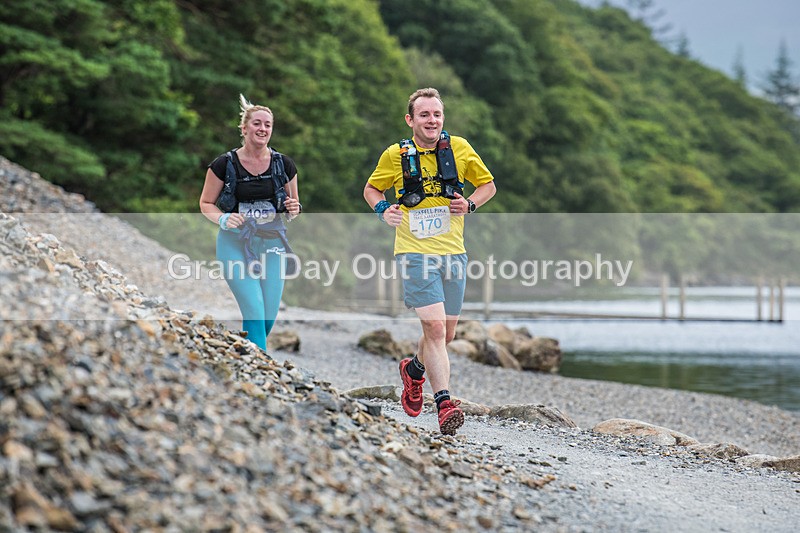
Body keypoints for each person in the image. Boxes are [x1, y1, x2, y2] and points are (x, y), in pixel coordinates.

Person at [363, 87, 496, 435]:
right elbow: (371, 190)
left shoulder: (460, 149)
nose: (431, 120)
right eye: (424, 114)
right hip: (414, 251)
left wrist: (470, 204)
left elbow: (488, 186)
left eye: (436, 114)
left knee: (446, 333)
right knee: (435, 328)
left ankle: (414, 371)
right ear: (410, 120)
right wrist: (383, 209)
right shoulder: (395, 155)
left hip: (454, 252)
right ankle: (444, 404)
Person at [199, 94, 301, 352]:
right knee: (254, 309)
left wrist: (293, 208)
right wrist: (223, 218)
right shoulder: (223, 164)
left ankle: (243, 354)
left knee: (267, 317)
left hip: (273, 244)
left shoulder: (284, 165)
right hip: (235, 244)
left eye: (268, 124)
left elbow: (293, 207)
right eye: (257, 123)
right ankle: (263, 371)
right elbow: (205, 204)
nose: (263, 129)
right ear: (244, 129)